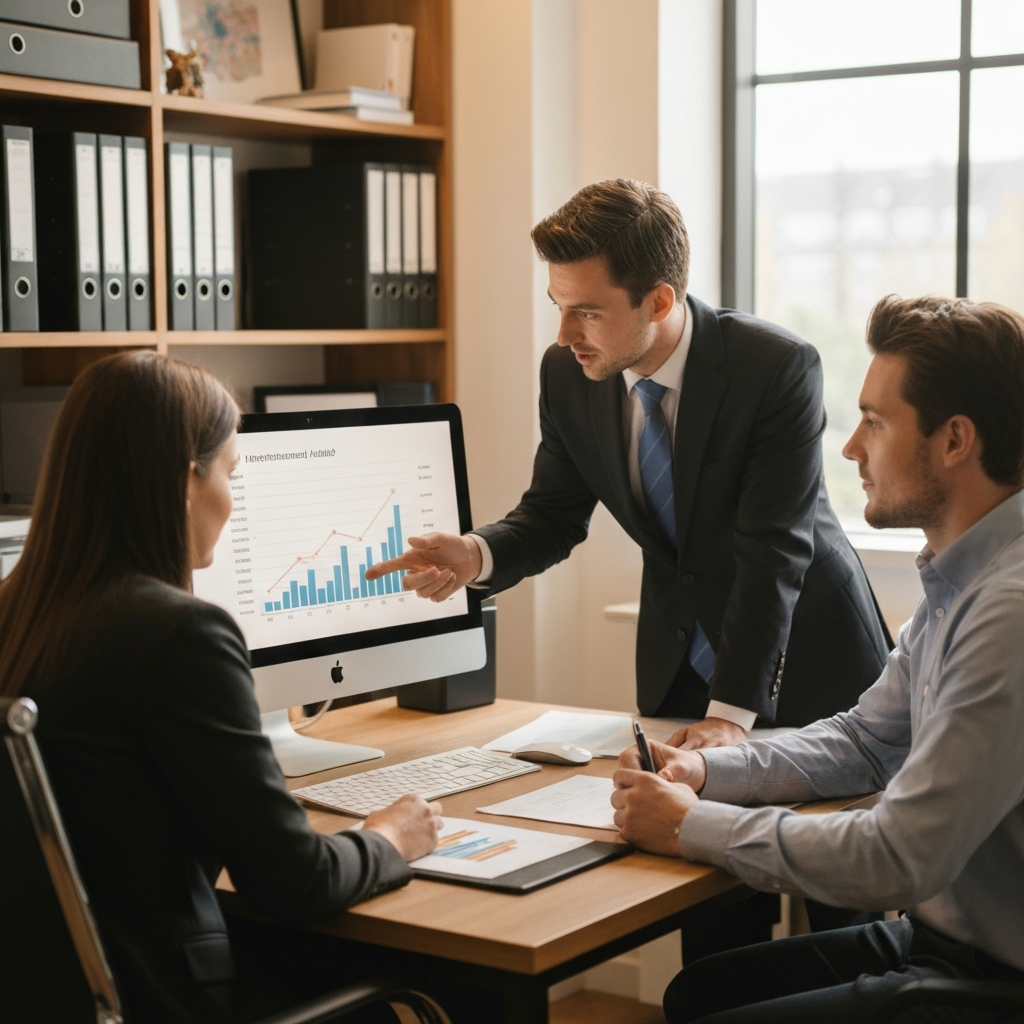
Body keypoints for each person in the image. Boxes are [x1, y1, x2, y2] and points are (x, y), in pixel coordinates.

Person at [367, 178, 893, 952]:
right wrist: (476, 552)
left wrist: (732, 716)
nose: (564, 332)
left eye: (585, 309)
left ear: (658, 299)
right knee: (712, 918)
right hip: (683, 675)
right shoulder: (570, 374)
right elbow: (552, 512)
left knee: (841, 922)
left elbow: (772, 552)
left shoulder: (773, 365)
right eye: (557, 303)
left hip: (808, 667)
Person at [612, 294, 1024, 1023]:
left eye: (875, 421)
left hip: (995, 978)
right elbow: (866, 740)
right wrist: (710, 771)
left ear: (955, 439)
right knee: (700, 994)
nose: (850, 448)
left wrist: (689, 824)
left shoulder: (1008, 612)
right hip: (937, 940)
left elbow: (898, 856)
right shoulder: (962, 577)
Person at [0, 352, 442, 1024]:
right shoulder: (180, 635)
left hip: (48, 996)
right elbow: (294, 882)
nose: (234, 501)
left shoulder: (17, 612)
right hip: (165, 998)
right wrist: (389, 837)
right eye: (232, 473)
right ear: (186, 480)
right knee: (428, 989)